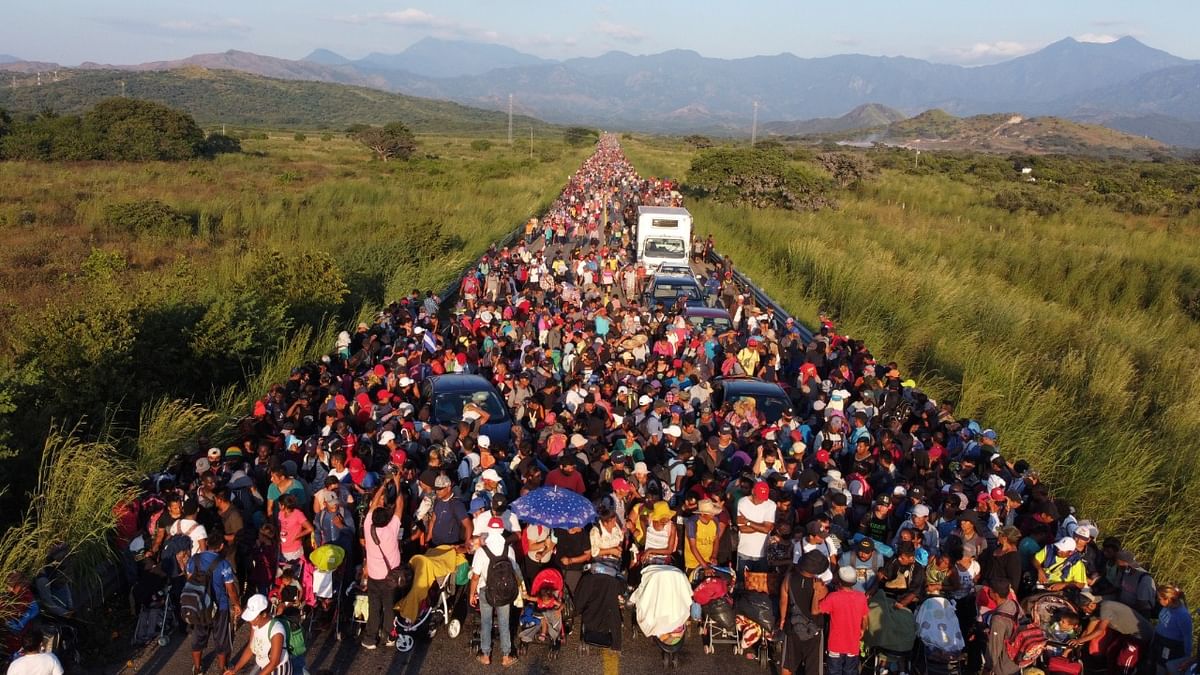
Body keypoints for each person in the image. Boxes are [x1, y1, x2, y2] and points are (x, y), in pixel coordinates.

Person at [360, 471, 404, 650]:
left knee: (374, 606)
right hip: (389, 577)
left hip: (374, 576)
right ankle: (388, 635)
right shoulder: (391, 529)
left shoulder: (367, 526)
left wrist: (383, 485)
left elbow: (371, 507)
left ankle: (370, 638)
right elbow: (400, 505)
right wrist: (397, 483)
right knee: (388, 607)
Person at [187, 534, 242, 675]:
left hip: (199, 606)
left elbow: (189, 580)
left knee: (198, 637)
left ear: (206, 543)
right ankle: (222, 669)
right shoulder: (224, 564)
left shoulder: (194, 560)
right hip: (220, 607)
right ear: (221, 546)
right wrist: (236, 604)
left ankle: (198, 668)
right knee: (222, 639)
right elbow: (231, 590)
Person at [470, 517, 520, 667]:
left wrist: (472, 594)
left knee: (486, 622)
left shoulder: (482, 551)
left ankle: (485, 654)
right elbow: (514, 570)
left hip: (486, 589)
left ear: (489, 530)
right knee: (504, 622)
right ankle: (506, 656)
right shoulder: (509, 549)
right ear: (502, 530)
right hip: (504, 590)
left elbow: (475, 576)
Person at [1071, 590, 1153, 672]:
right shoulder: (1096, 612)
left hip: (1140, 634)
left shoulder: (1105, 607)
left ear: (1091, 605)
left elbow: (1100, 630)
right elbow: (1087, 631)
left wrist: (1079, 640)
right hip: (1127, 634)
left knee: (1123, 660)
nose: (1084, 612)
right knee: (1112, 652)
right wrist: (1072, 647)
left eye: (1084, 609)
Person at [779, 550, 829, 675]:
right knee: (813, 668)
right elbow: (822, 607)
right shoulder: (820, 586)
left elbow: (783, 600)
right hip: (814, 630)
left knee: (788, 664)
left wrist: (782, 619)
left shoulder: (789, 578)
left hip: (793, 626)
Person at [819, 566, 869, 675]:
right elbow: (865, 618)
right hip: (853, 644)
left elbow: (818, 609)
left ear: (839, 582)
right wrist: (862, 630)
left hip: (835, 645)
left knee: (834, 672)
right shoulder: (861, 597)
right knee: (850, 671)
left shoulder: (833, 597)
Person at [223, 594, 290, 675]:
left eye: (253, 617)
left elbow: (274, 662)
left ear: (264, 614)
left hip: (278, 670)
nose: (250, 621)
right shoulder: (255, 624)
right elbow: (251, 648)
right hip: (263, 667)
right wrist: (235, 669)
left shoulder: (276, 631)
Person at [1151, 584, 1193, 675]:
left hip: (1170, 649)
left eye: (1159, 599)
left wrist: (1187, 657)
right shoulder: (1167, 607)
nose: (1158, 600)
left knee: (1161, 671)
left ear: (1168, 599)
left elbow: (1188, 637)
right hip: (1159, 643)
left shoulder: (1183, 615)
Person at [736, 481, 775, 575]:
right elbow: (742, 529)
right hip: (744, 551)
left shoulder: (771, 505)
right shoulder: (742, 502)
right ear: (753, 491)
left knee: (760, 585)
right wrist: (762, 526)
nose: (761, 500)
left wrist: (747, 522)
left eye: (763, 498)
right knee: (742, 583)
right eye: (759, 497)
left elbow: (767, 529)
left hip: (762, 553)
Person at [983, 580, 1021, 675]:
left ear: (995, 594)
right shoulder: (1014, 604)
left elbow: (994, 648)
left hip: (1004, 667)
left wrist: (987, 668)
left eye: (990, 590)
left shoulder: (998, 619)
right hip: (1017, 660)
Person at [684, 499, 724, 573]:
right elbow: (693, 547)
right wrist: (705, 566)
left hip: (709, 562)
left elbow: (716, 540)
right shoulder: (692, 523)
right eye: (711, 513)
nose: (713, 514)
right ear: (702, 514)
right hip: (693, 564)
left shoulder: (715, 520)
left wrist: (714, 556)